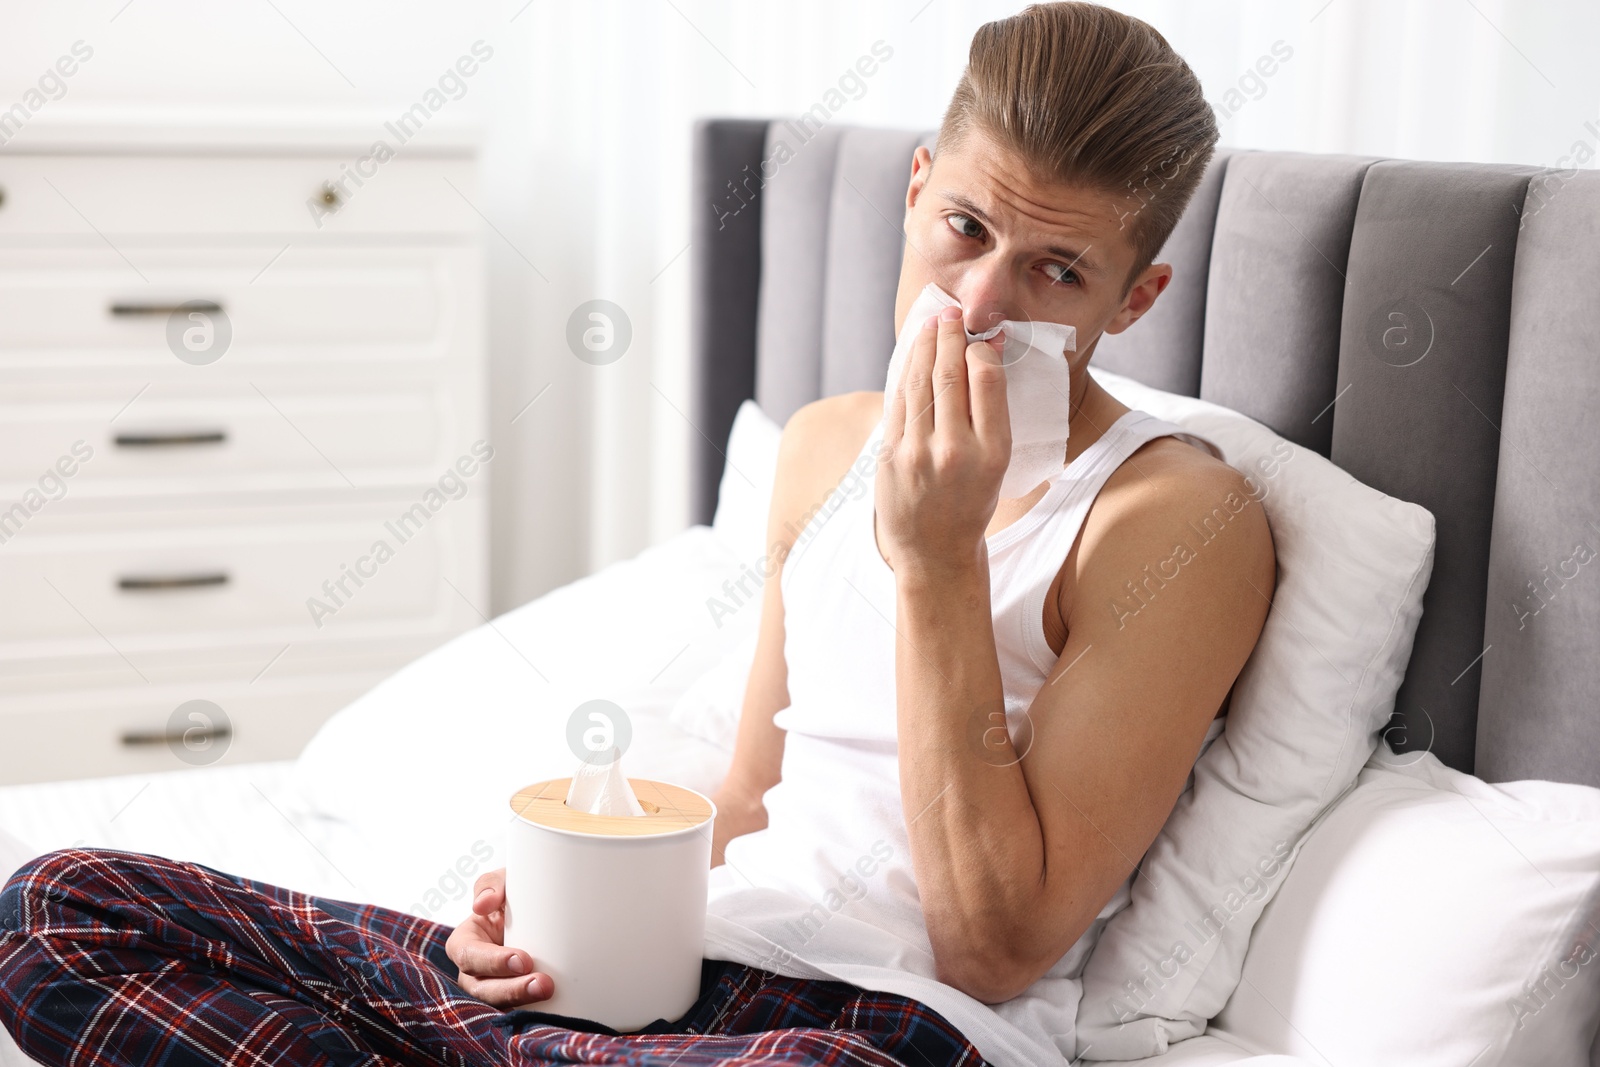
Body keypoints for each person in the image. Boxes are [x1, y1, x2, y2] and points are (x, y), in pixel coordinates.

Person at [0, 4, 1274, 1065]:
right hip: (675, 982)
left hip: (874, 1028)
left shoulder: (1173, 517)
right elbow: (749, 795)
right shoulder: (827, 444)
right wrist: (559, 901)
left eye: (1055, 270)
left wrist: (936, 560)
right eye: (966, 229)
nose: (980, 305)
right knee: (57, 907)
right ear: (916, 187)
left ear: (1135, 295)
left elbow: (996, 943)